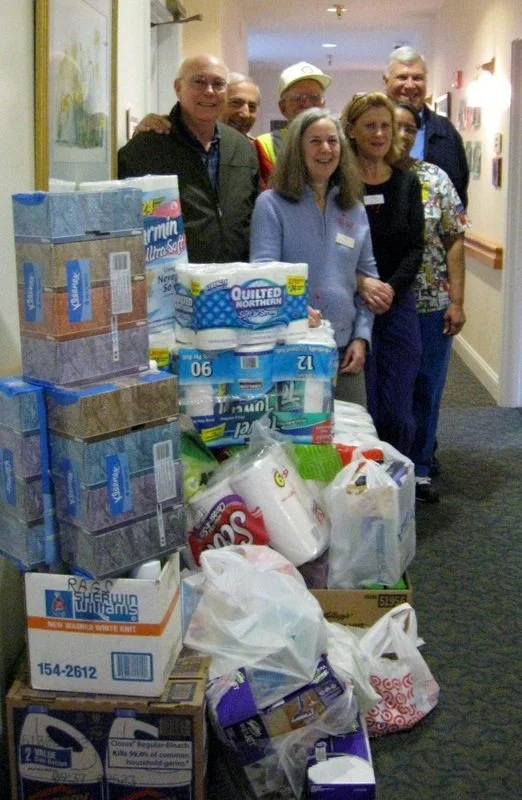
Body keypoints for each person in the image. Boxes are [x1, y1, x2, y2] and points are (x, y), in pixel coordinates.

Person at [249, 108, 390, 404]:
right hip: (292, 345)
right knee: (299, 442)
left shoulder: (353, 207)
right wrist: (295, 307)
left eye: (332, 141)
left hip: (345, 349)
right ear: (297, 150)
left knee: (354, 439)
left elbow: (370, 279)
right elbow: (263, 274)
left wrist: (362, 337)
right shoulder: (271, 204)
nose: (325, 149)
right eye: (315, 141)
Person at [341, 92, 424, 457]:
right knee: (362, 402)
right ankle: (362, 483)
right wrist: (362, 284)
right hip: (350, 302)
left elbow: (415, 248)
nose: (379, 134)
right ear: (352, 131)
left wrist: (387, 290)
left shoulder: (407, 183)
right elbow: (331, 245)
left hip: (396, 303)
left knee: (399, 406)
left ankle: (397, 482)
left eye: (385, 126)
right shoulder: (339, 184)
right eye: (370, 126)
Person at [394, 101, 469, 502]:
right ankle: (387, 463)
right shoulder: (361, 175)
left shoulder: (434, 178)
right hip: (383, 303)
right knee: (388, 390)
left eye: (411, 129)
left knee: (427, 386)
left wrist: (456, 300)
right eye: (396, 126)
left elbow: (455, 239)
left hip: (432, 301)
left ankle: (420, 467)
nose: (403, 135)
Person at [118, 54, 259, 263]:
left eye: (218, 84)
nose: (209, 91)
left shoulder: (241, 148)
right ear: (178, 88)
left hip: (233, 282)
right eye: (199, 82)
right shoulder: (145, 148)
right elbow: (122, 223)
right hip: (172, 285)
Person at [383, 45, 469, 208]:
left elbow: (459, 194)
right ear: (385, 81)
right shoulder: (368, 130)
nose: (409, 85)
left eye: (417, 78)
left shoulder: (446, 134)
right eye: (402, 77)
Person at [255, 61, 332, 189]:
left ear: (323, 103)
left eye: (314, 97)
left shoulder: (337, 142)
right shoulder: (264, 144)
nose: (307, 104)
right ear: (282, 107)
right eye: (297, 97)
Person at [132, 72, 261, 139]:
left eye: (252, 107)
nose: (245, 113)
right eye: (236, 103)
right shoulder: (164, 131)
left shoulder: (257, 152)